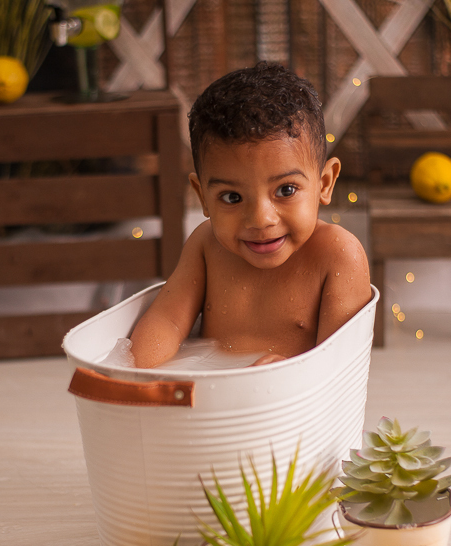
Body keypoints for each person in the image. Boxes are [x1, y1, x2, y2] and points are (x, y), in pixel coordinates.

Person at [128, 62, 371, 368]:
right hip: (209, 400)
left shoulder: (337, 255)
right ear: (202, 196)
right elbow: (167, 319)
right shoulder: (206, 245)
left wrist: (281, 377)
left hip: (294, 409)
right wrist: (135, 374)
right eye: (232, 197)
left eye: (285, 190)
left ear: (324, 183)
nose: (260, 219)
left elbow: (341, 367)